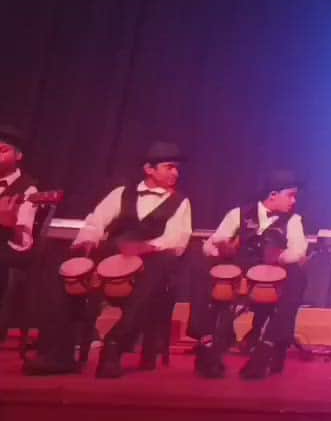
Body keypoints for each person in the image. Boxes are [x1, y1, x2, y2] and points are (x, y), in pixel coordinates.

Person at [25, 141, 192, 377]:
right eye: (169, 167)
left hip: (149, 260)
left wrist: (145, 247)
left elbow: (177, 239)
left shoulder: (180, 202)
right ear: (149, 169)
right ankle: (58, 354)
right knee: (64, 271)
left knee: (158, 271)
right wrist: (87, 240)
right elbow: (96, 222)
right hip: (112, 255)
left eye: (176, 168)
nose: (176, 172)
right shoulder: (122, 193)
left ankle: (114, 346)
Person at [191, 170, 309, 379]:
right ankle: (207, 343)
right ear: (273, 195)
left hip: (271, 276)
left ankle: (265, 349)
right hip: (240, 273)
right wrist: (224, 248)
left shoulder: (293, 220)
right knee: (203, 271)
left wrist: (277, 256)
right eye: (290, 195)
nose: (294, 200)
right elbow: (210, 246)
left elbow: (297, 251)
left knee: (297, 278)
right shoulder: (238, 214)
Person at [0, 125, 43, 345]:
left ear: (18, 156)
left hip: (11, 249)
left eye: (2, 150)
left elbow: (23, 244)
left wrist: (8, 225)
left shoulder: (28, 190)